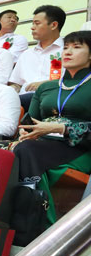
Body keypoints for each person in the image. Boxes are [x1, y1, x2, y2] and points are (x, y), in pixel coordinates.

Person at [14, 30, 91, 223]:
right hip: (42, 145)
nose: (68, 52)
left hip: (80, 148)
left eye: (76, 47)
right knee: (6, 150)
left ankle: (39, 221)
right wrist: (24, 132)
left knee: (27, 151)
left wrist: (59, 128)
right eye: (66, 47)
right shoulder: (46, 87)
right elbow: (30, 122)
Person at [9, 5, 66, 109]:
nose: (32, 27)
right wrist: (10, 91)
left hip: (53, 98)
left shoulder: (67, 51)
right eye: (33, 23)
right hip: (23, 101)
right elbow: (16, 84)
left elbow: (73, 81)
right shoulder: (26, 54)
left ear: (53, 25)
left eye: (37, 23)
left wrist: (45, 85)